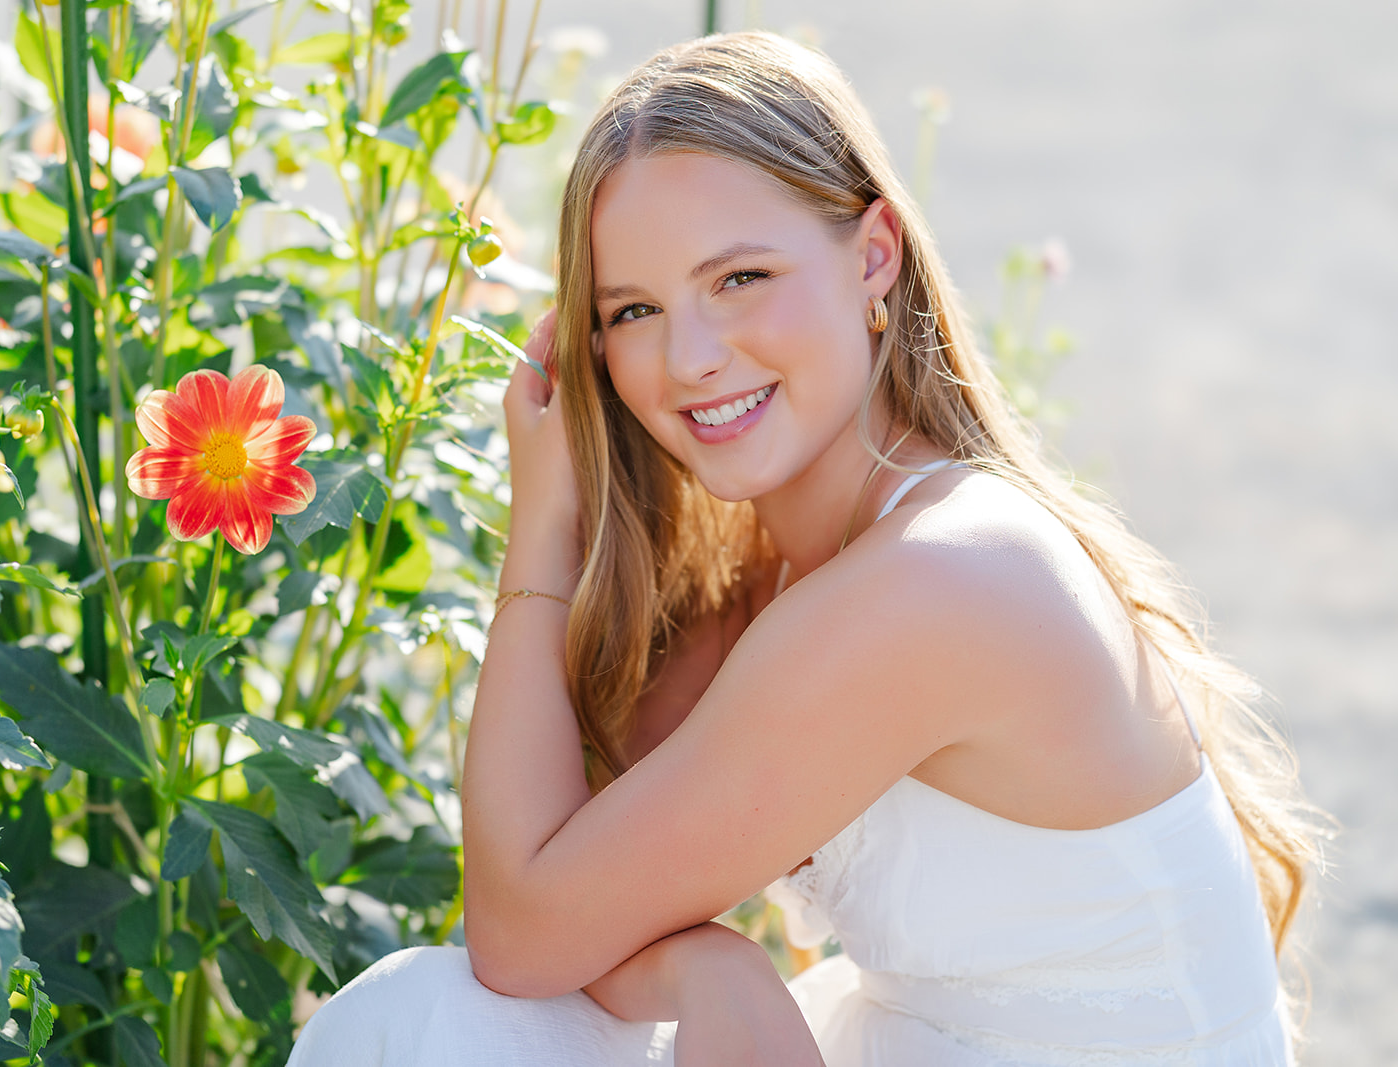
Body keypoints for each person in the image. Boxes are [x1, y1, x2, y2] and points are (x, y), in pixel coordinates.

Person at [286, 30, 1322, 1066]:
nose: (688, 357)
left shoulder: (934, 578)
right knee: (440, 1019)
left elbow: (525, 926)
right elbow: (560, 898)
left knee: (417, 1026)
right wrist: (705, 966)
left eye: (738, 278)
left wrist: (541, 533)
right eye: (634, 309)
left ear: (872, 254)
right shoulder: (775, 569)